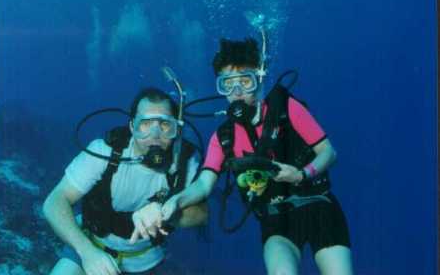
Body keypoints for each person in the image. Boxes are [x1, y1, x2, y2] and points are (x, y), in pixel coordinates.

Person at [162, 38, 354, 275]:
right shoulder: (223, 138)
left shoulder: (287, 108)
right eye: (228, 84)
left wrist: (302, 174)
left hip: (320, 207)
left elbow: (328, 152)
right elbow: (203, 184)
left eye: (245, 81)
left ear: (259, 79)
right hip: (276, 221)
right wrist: (176, 201)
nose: (237, 92)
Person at [43, 87, 207, 275]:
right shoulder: (104, 152)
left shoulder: (185, 162)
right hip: (90, 245)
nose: (155, 134)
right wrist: (87, 253)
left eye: (164, 124)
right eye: (145, 124)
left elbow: (203, 214)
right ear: (132, 127)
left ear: (176, 128)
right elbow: (54, 202)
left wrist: (166, 210)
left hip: (147, 260)